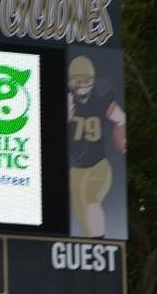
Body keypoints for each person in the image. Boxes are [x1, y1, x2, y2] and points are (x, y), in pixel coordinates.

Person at [68, 55, 125, 238]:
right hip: (76, 171)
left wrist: (121, 130)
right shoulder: (67, 102)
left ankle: (101, 243)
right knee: (80, 212)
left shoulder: (101, 98)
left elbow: (120, 118)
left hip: (99, 167)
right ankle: (93, 245)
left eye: (85, 80)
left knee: (92, 199)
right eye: (77, 81)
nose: (82, 84)